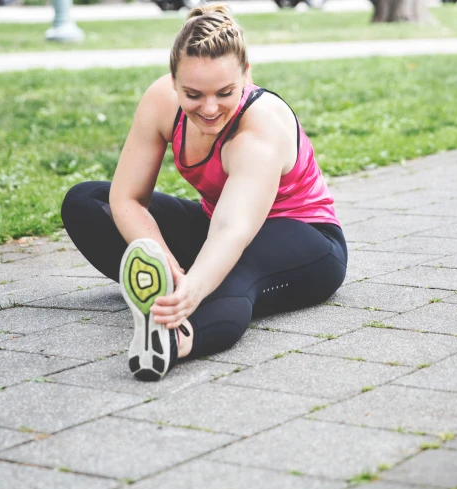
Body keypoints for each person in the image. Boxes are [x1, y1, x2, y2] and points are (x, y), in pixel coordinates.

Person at [61, 2, 347, 381]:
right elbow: (126, 198)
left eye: (225, 92)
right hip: (218, 225)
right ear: (174, 80)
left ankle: (172, 337)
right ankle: (166, 292)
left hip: (306, 239)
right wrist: (162, 259)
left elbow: (233, 232)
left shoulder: (258, 131)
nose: (209, 108)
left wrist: (193, 288)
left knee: (234, 270)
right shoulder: (161, 100)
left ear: (247, 73)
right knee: (86, 201)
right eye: (193, 94)